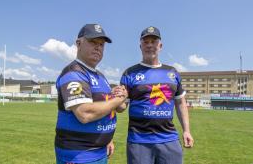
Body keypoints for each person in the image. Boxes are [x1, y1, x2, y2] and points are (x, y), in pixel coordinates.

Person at [119, 26, 194, 164]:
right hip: (139, 141)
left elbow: (180, 102)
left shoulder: (172, 72)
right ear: (140, 46)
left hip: (169, 139)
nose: (149, 45)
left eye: (153, 41)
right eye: (145, 42)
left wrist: (186, 131)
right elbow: (122, 107)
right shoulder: (130, 73)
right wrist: (117, 100)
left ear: (160, 45)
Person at [55, 24, 127, 164]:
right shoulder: (74, 72)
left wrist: (108, 139)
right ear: (79, 43)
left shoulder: (100, 76)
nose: (98, 47)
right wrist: (118, 100)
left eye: (101, 44)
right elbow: (85, 114)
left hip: (99, 151)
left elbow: (114, 109)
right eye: (93, 42)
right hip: (78, 154)